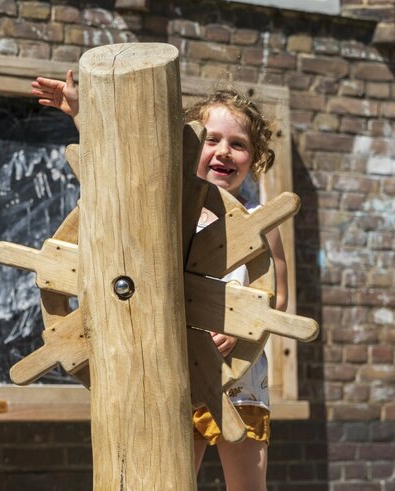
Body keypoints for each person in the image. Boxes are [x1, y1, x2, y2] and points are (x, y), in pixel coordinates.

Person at [32, 71, 288, 491]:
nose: (224, 151)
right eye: (211, 139)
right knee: (170, 479)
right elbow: (118, 172)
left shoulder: (259, 220)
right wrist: (82, 115)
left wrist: (240, 329)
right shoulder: (169, 212)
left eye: (238, 144)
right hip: (179, 378)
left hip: (240, 381)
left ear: (255, 157)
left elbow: (278, 298)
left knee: (247, 486)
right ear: (188, 150)